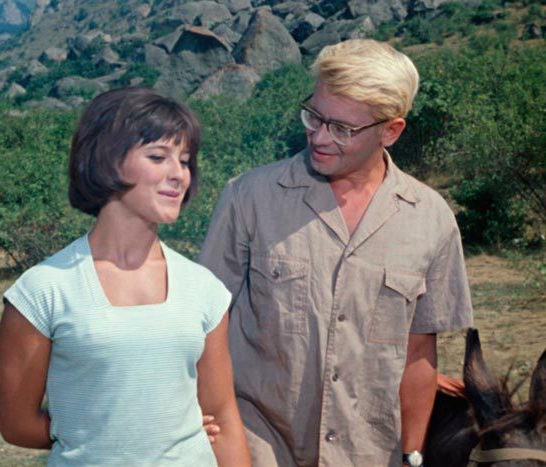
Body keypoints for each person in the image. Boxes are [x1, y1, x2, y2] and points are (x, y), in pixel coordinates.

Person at [198, 39, 473, 467]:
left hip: (369, 452)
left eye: (342, 128)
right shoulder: (247, 198)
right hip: (258, 446)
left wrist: (412, 455)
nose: (319, 136)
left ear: (391, 131)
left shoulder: (431, 219)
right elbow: (203, 329)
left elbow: (419, 353)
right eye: (315, 116)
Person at [0, 87, 250, 466]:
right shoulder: (44, 291)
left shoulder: (204, 290)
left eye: (184, 161)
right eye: (158, 157)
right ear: (107, 162)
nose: (178, 174)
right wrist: (123, 436)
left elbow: (222, 419)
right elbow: (16, 424)